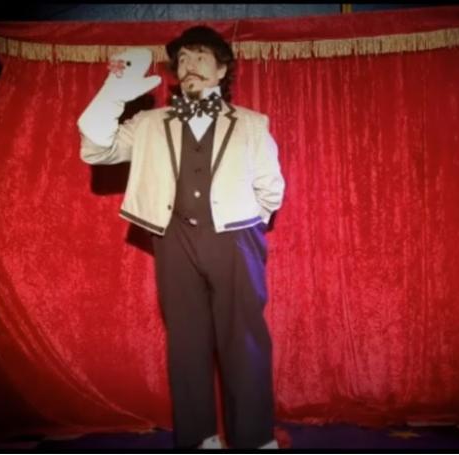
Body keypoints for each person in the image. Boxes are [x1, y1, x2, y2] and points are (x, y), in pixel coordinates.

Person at [77, 25, 285, 449]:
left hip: (236, 239)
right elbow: (95, 149)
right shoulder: (150, 123)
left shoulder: (251, 123)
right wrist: (113, 93)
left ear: (222, 68)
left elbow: (271, 189)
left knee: (244, 340)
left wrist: (245, 226)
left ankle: (254, 438)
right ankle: (199, 438)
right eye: (183, 59)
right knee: (186, 342)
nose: (189, 65)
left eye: (200, 56)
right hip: (173, 241)